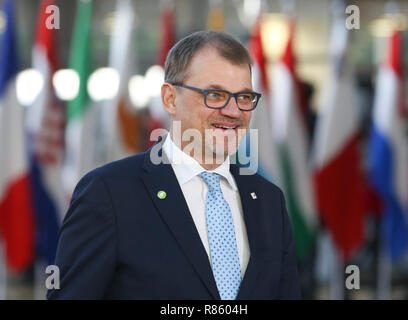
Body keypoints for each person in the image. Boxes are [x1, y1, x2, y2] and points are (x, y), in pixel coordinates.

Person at [47, 30, 300, 300]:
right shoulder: (109, 194)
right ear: (169, 98)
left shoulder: (268, 199)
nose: (234, 112)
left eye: (245, 97)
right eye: (215, 95)